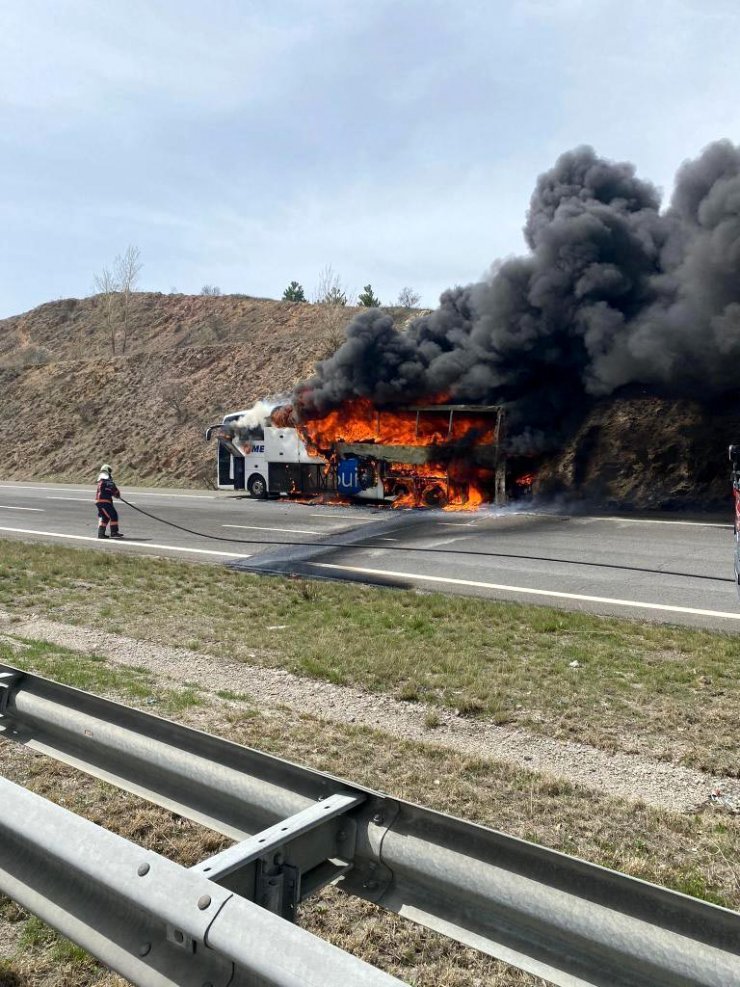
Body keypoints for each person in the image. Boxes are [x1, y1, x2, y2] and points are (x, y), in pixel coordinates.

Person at [95, 463, 124, 539]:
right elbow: (114, 490)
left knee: (105, 517)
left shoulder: (101, 480)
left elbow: (107, 490)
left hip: (100, 501)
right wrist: (117, 495)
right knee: (113, 515)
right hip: (105, 502)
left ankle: (101, 534)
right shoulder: (108, 481)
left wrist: (114, 494)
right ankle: (114, 532)